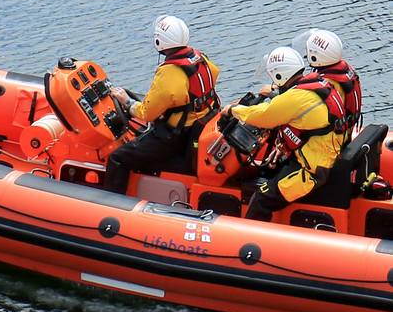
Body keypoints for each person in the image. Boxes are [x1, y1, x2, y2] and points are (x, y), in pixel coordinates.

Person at [225, 46, 345, 221]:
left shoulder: (296, 98)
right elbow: (287, 106)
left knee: (261, 198)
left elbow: (263, 115)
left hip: (312, 170)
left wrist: (233, 110)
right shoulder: (317, 84)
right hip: (320, 154)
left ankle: (252, 244)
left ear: (280, 75)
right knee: (269, 170)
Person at [104, 15, 221, 194]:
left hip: (175, 137)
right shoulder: (201, 58)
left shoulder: (169, 72)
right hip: (197, 128)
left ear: (159, 41)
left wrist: (126, 102)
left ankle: (112, 204)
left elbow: (147, 113)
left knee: (118, 158)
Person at [302, 29, 363, 144]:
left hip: (332, 140)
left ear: (316, 56)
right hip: (346, 130)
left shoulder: (327, 83)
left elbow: (304, 107)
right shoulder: (343, 71)